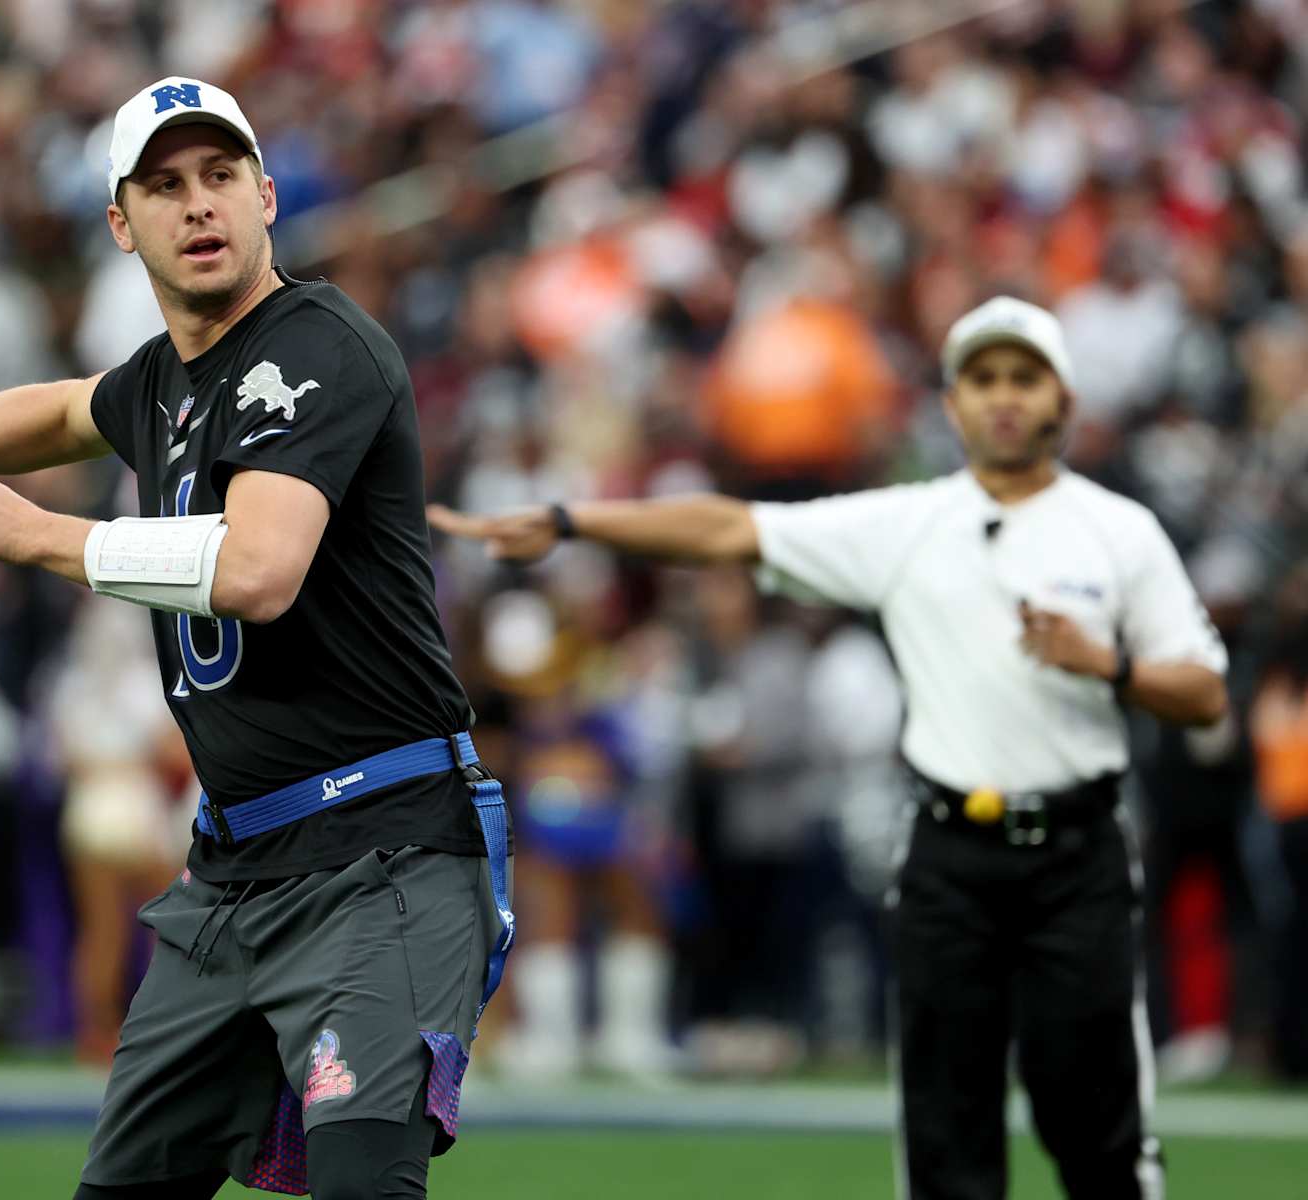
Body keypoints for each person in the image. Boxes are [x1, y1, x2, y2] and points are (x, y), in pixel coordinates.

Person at [0, 76, 512, 1200]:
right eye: (166, 185)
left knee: (365, 1189)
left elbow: (260, 572)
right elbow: (52, 409)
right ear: (122, 224)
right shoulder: (167, 381)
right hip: (235, 866)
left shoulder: (318, 344)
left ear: (267, 196)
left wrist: (35, 535)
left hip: (381, 849)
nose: (200, 205)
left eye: (222, 175)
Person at [431, 295, 1229, 1200]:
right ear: (953, 403)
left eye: (1024, 378)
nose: (1004, 398)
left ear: (1063, 400)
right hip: (949, 853)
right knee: (944, 1130)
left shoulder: (1118, 531)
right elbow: (732, 526)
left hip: (1077, 851)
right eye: (984, 378)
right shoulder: (910, 523)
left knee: (1098, 1128)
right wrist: (576, 523)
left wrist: (1108, 662)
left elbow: (1203, 691)